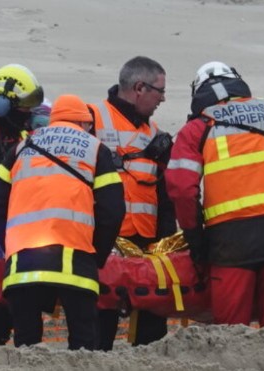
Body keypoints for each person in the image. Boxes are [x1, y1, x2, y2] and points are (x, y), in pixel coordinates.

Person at [166, 61, 264, 326]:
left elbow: (183, 192)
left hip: (230, 242)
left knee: (231, 335)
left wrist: (196, 241)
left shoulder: (196, 129)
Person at [0, 94, 125, 349]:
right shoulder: (95, 148)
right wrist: (96, 255)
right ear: (85, 123)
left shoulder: (23, 146)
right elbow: (113, 210)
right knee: (83, 343)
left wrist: (12, 244)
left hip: (22, 263)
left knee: (26, 344)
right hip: (76, 261)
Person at [88, 56, 176, 350]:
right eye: (159, 91)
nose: (163, 99)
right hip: (103, 242)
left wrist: (164, 243)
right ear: (139, 87)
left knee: (152, 326)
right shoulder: (92, 120)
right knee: (100, 323)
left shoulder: (157, 136)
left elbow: (165, 196)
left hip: (146, 247)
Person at [0, 63, 44, 347]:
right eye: (24, 110)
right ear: (1, 105)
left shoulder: (19, 139)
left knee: (1, 308)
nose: (28, 117)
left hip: (7, 234)